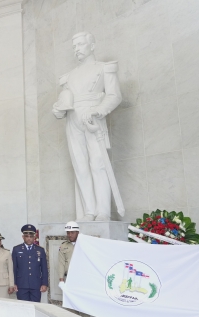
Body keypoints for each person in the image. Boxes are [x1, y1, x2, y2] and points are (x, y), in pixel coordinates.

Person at [51, 32, 123, 221]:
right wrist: (58, 109)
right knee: (80, 166)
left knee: (98, 164)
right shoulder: (69, 77)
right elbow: (64, 101)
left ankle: (103, 211)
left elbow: (114, 95)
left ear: (92, 46)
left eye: (81, 44)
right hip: (73, 119)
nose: (77, 49)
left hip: (93, 117)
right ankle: (89, 210)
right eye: (74, 46)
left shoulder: (104, 68)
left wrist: (99, 111)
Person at [12, 224, 48, 302]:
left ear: (34, 237)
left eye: (31, 236)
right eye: (27, 236)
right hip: (21, 284)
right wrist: (13, 283)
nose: (29, 239)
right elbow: (14, 268)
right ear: (23, 237)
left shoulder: (40, 250)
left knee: (36, 307)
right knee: (22, 308)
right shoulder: (16, 249)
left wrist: (44, 283)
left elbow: (44, 268)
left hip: (36, 284)